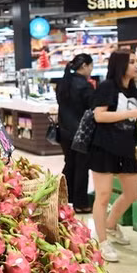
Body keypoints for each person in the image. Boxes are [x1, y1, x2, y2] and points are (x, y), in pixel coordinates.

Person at [90, 49, 137, 262]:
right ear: (120, 65)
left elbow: (134, 118)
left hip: (126, 148)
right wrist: (132, 113)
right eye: (132, 62)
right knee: (103, 195)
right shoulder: (108, 87)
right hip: (104, 147)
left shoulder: (133, 90)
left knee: (133, 192)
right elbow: (99, 116)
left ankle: (110, 225)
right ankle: (102, 242)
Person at [56, 54, 94, 213]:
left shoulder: (63, 83)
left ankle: (62, 198)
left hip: (64, 131)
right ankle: (81, 203)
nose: (92, 69)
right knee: (81, 167)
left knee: (70, 164)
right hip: (81, 133)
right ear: (84, 65)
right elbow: (92, 108)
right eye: (91, 65)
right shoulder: (85, 86)